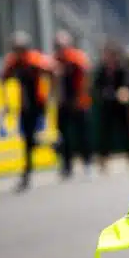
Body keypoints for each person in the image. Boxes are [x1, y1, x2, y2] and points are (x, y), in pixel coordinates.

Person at [0, 31, 53, 192]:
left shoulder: (34, 60)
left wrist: (50, 95)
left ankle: (27, 172)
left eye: (20, 49)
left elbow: (52, 71)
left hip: (37, 104)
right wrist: (6, 103)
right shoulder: (13, 63)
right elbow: (3, 80)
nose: (18, 52)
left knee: (30, 138)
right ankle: (50, 147)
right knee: (27, 139)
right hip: (24, 105)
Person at [53, 30, 92, 178]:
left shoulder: (76, 58)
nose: (59, 49)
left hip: (79, 102)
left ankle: (87, 162)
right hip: (63, 103)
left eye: (61, 46)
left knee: (82, 133)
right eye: (57, 46)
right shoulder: (55, 61)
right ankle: (67, 165)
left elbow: (85, 77)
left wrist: (79, 98)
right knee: (63, 135)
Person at [93, 41, 129, 171]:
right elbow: (97, 87)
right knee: (105, 132)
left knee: (126, 130)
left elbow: (127, 84)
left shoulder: (121, 69)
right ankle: (104, 158)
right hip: (107, 104)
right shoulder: (101, 70)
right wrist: (104, 94)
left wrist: (124, 91)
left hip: (120, 104)